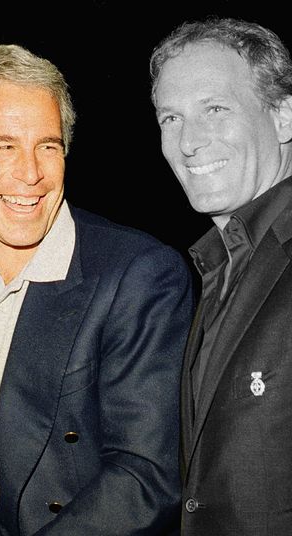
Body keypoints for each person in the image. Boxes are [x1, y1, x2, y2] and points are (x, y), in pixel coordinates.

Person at [0, 43, 194, 535]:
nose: (30, 173)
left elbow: (144, 473)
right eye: (3, 146)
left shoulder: (139, 273)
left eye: (48, 146)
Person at [150, 17, 292, 536]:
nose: (188, 142)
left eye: (215, 109)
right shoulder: (219, 264)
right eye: (171, 118)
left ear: (283, 116)